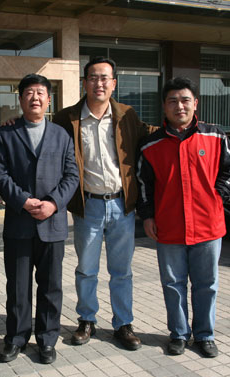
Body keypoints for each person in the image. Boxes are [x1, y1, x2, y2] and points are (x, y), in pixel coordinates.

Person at [53, 57, 155, 350]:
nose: (99, 83)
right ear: (85, 82)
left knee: (122, 271)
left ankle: (123, 324)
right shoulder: (67, 118)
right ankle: (87, 320)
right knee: (86, 269)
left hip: (122, 206)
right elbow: (46, 139)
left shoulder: (127, 115)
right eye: (93, 77)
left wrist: (185, 127)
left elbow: (151, 134)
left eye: (105, 78)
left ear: (114, 83)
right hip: (89, 206)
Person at [136, 77, 230, 357]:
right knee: (173, 284)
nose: (179, 106)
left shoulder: (215, 136)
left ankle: (205, 335)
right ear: (164, 106)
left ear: (195, 103)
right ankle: (179, 334)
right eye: (173, 101)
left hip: (208, 225)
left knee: (207, 284)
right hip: (168, 226)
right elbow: (144, 184)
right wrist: (147, 216)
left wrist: (218, 197)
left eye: (184, 100)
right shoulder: (150, 145)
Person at [0, 74, 79, 364]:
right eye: (29, 93)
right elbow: (0, 174)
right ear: (20, 99)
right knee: (17, 287)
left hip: (52, 224)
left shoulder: (61, 135)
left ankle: (47, 339)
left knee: (51, 286)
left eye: (41, 93)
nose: (35, 98)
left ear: (49, 100)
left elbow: (72, 175)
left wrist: (53, 203)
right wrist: (23, 200)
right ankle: (16, 338)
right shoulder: (5, 134)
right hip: (19, 222)